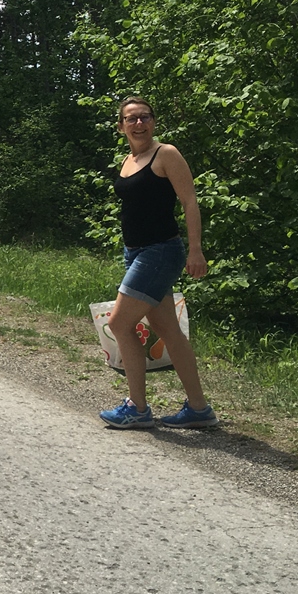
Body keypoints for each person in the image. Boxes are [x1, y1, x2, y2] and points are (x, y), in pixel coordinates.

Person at [99, 97, 219, 430]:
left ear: (153, 122)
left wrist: (196, 250)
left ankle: (137, 408)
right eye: (131, 119)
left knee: (119, 324)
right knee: (168, 329)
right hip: (136, 253)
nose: (139, 124)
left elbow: (189, 201)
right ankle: (199, 409)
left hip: (160, 251)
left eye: (145, 117)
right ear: (121, 126)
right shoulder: (128, 160)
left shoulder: (166, 154)